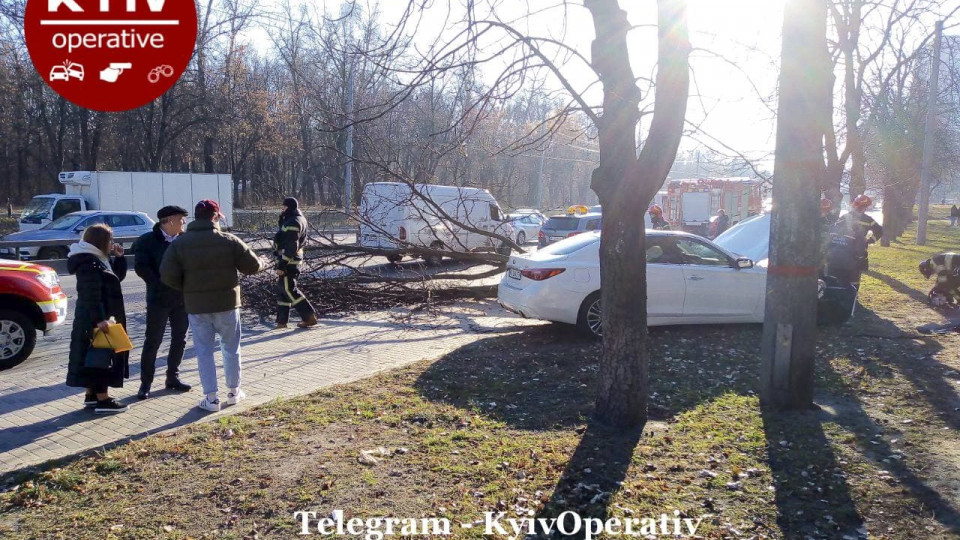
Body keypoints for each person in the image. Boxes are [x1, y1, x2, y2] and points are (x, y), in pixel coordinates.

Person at [160, 200, 264, 413]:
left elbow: (167, 274)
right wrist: (262, 262)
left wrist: (188, 289)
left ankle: (211, 397)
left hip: (197, 307)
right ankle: (234, 392)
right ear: (215, 217)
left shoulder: (179, 244)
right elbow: (252, 266)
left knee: (204, 351)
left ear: (195, 218)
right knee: (231, 348)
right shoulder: (229, 240)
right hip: (227, 304)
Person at [65, 223, 129, 414]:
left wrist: (119, 258)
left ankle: (91, 395)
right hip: (95, 319)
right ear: (101, 241)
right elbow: (91, 294)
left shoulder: (97, 258)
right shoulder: (89, 263)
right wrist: (100, 319)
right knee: (101, 356)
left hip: (93, 317)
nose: (112, 243)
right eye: (110, 240)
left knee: (91, 356)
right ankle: (103, 399)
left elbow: (115, 279)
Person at [133, 205, 192, 400]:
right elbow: (142, 268)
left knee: (180, 339)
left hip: (182, 299)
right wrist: (161, 284)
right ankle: (145, 383)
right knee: (153, 341)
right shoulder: (147, 241)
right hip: (158, 299)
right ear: (168, 221)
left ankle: (172, 377)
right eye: (180, 219)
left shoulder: (185, 240)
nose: (184, 222)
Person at [274, 197, 318, 329]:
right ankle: (281, 322)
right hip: (290, 259)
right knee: (282, 290)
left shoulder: (294, 221)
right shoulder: (295, 219)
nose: (282, 210)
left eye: (284, 207)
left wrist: (282, 264)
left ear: (289, 207)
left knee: (289, 289)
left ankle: (309, 316)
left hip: (289, 261)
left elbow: (292, 245)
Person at [832, 194, 883, 277]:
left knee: (855, 274)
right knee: (844, 274)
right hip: (845, 249)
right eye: (862, 206)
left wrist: (869, 240)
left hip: (859, 250)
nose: (862, 209)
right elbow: (835, 230)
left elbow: (879, 230)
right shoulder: (845, 217)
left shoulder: (867, 219)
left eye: (864, 207)